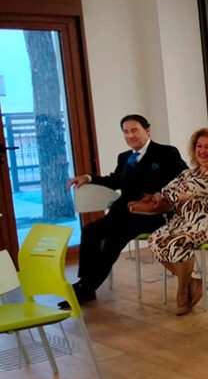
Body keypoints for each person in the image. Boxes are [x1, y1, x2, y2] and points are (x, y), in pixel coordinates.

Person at [67, 114, 187, 303]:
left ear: (147, 131)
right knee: (90, 231)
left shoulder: (166, 152)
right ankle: (85, 282)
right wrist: (89, 178)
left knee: (115, 237)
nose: (130, 136)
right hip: (124, 212)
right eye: (126, 132)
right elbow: (115, 180)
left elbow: (184, 178)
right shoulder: (125, 157)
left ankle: (87, 287)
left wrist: (161, 193)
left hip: (154, 214)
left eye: (134, 130)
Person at [135, 128, 208, 316]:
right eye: (199, 146)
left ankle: (182, 293)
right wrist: (173, 195)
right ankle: (192, 282)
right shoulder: (189, 173)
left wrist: (178, 194)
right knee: (155, 240)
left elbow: (196, 188)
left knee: (178, 242)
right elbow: (167, 191)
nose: (202, 151)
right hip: (185, 222)